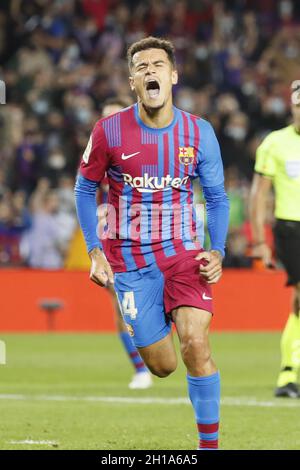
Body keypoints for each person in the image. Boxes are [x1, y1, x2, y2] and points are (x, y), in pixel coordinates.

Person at [75, 37, 229, 450]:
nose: (150, 72)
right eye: (141, 67)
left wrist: (218, 250)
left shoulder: (199, 132)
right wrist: (94, 250)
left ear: (173, 75)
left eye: (158, 65)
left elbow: (216, 197)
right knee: (162, 366)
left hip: (183, 253)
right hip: (129, 262)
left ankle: (208, 448)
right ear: (132, 81)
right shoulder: (108, 131)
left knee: (196, 343)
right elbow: (84, 188)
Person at [68, 97, 153, 390]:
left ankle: (159, 353)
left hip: (151, 233)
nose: (110, 124)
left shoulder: (148, 148)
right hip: (114, 233)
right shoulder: (97, 155)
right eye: (105, 118)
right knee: (118, 302)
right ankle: (140, 368)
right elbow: (84, 190)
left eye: (116, 117)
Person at [250, 81, 300, 398]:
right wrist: (259, 240)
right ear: (292, 107)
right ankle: (288, 372)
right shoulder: (275, 143)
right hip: (291, 228)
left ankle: (288, 372)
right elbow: (259, 195)